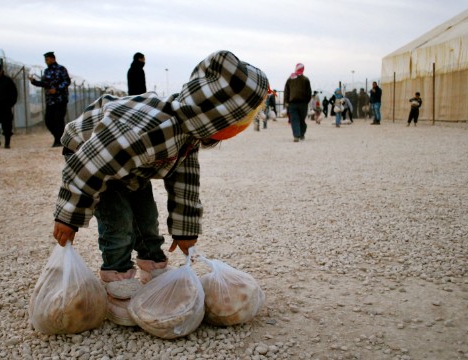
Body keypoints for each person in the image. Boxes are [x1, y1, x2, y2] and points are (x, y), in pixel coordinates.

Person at [51, 50, 269, 326]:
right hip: (91, 151)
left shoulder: (188, 132)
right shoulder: (147, 132)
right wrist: (67, 216)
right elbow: (88, 166)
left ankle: (152, 265)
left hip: (130, 164)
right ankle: (117, 282)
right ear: (219, 119)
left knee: (146, 215)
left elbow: (185, 181)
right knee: (119, 222)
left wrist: (185, 230)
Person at [29, 52, 71, 147]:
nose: (46, 62)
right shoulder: (47, 71)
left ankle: (59, 141)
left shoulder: (61, 69)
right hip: (50, 100)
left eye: (47, 59)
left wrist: (57, 89)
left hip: (60, 99)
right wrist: (34, 82)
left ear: (53, 59)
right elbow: (45, 84)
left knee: (58, 120)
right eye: (45, 60)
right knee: (48, 121)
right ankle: (58, 138)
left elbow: (67, 81)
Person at [283, 63, 312, 142]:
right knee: (302, 120)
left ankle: (296, 135)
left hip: (292, 104)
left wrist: (286, 102)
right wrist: (306, 101)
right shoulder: (306, 79)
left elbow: (286, 92)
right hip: (303, 104)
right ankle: (301, 134)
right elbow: (309, 93)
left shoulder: (290, 79)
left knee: (294, 119)